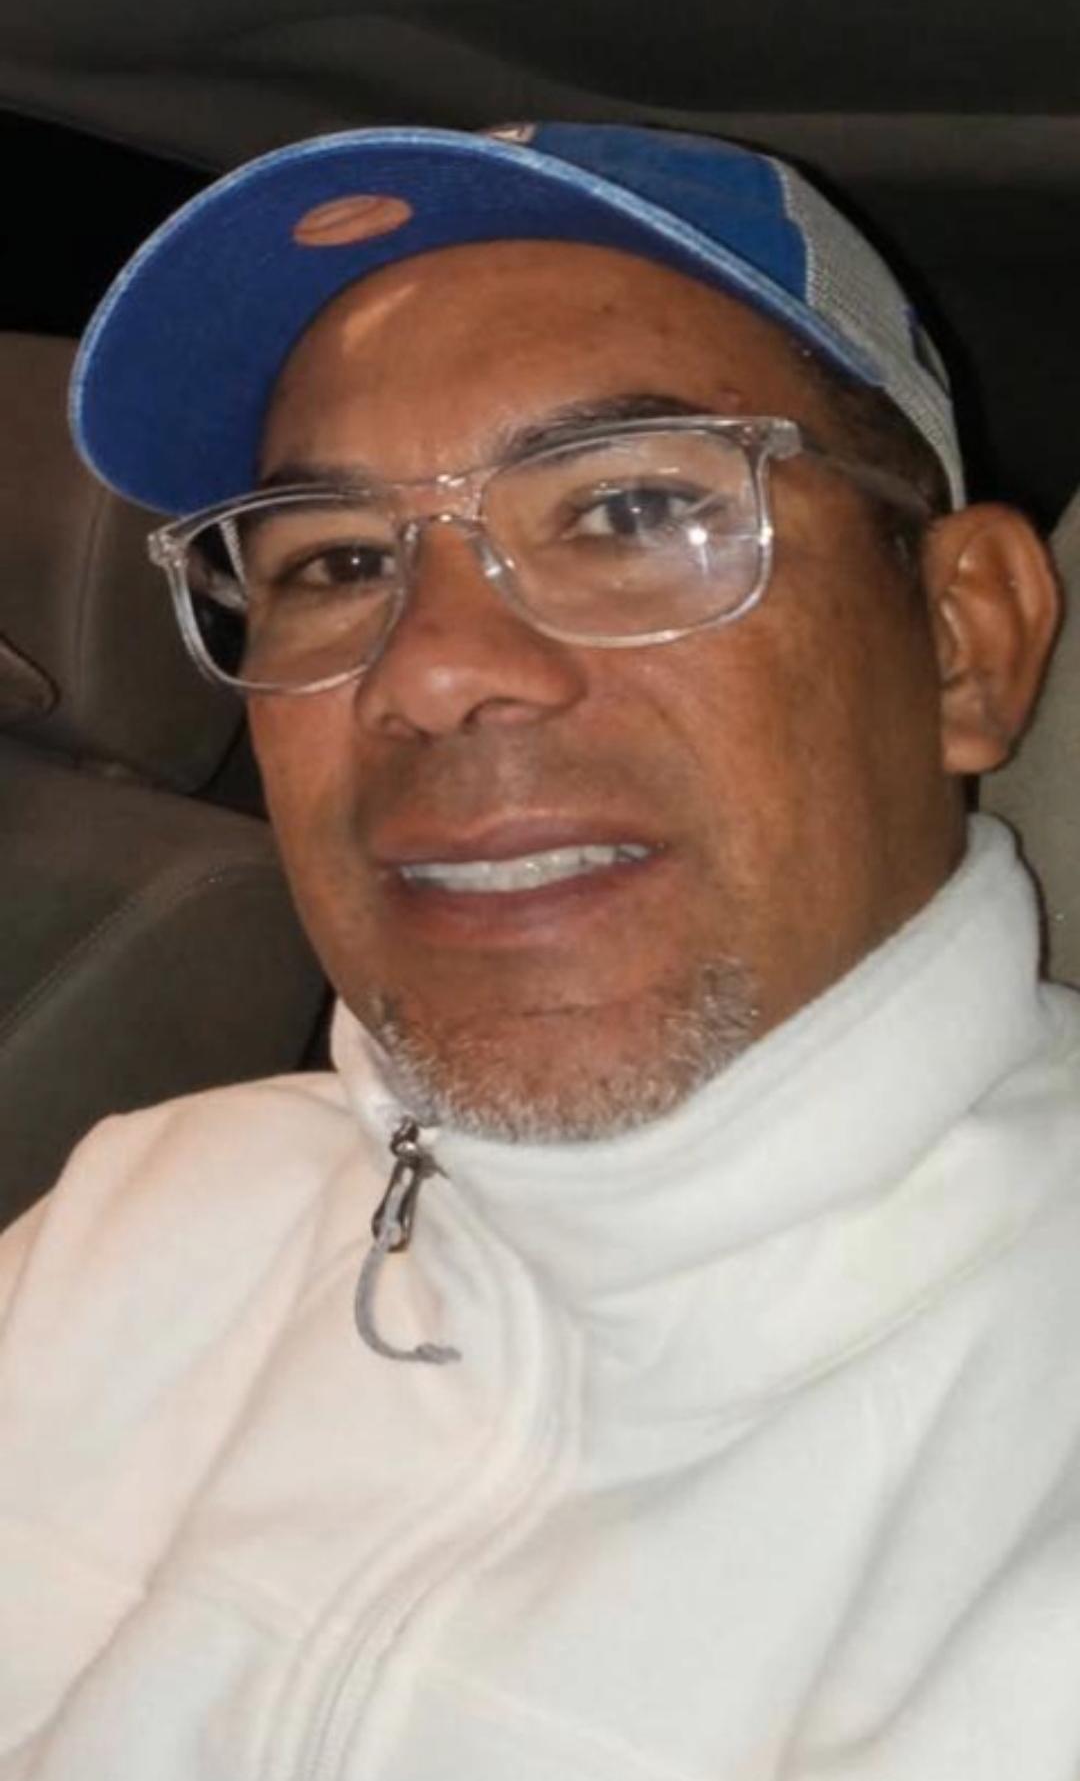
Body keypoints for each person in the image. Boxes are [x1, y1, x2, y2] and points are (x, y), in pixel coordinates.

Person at [0, 122, 1076, 1780]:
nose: (431, 669)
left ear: (961, 643)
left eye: (633, 507)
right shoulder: (140, 1216)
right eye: (336, 561)